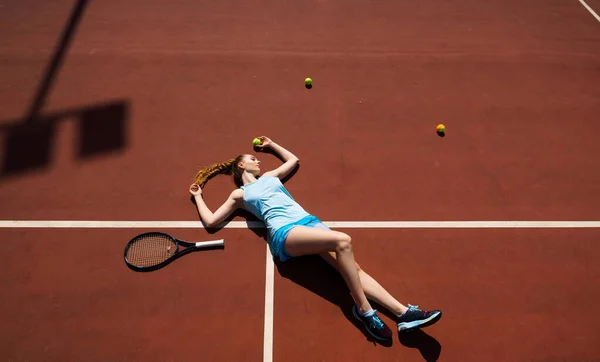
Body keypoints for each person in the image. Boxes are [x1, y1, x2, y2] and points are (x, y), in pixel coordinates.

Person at [188, 136, 441, 341]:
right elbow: (211, 222)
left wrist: (272, 144)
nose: (259, 161)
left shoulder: (269, 178)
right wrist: (199, 196)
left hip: (309, 223)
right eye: (253, 159)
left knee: (353, 269)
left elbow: (293, 160)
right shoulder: (239, 194)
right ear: (241, 166)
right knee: (343, 241)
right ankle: (364, 311)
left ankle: (403, 314)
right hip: (285, 233)